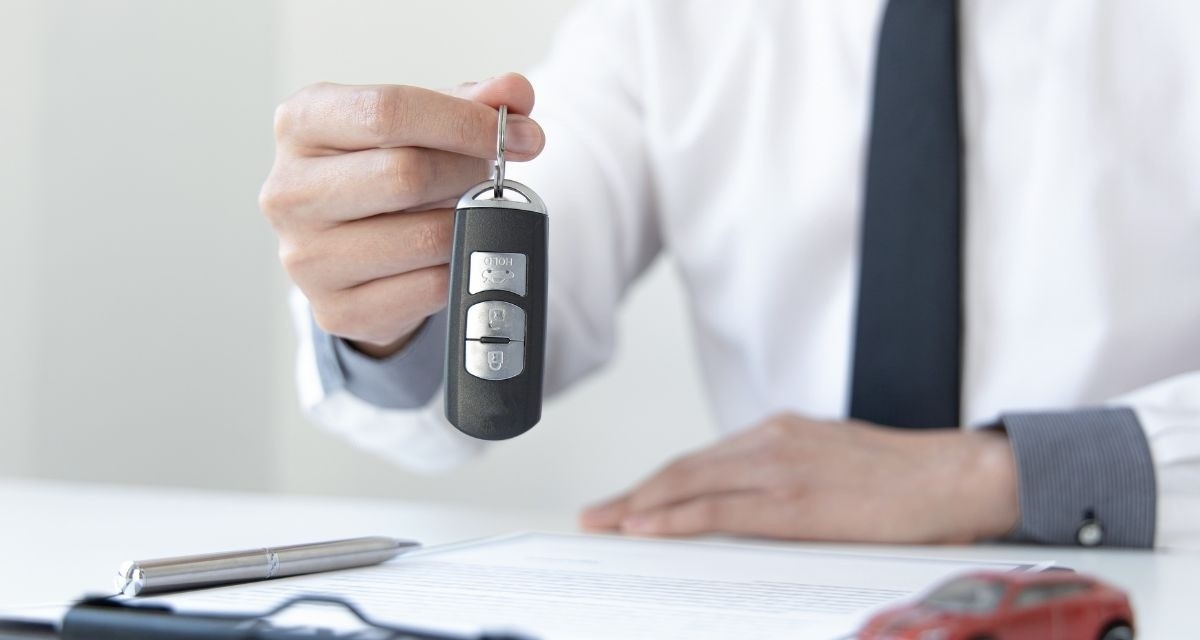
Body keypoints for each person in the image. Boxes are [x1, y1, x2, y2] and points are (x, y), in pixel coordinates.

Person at [259, 1, 1200, 550]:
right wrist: (391, 292)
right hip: (781, 614)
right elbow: (514, 288)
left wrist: (1003, 474)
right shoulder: (667, 20)